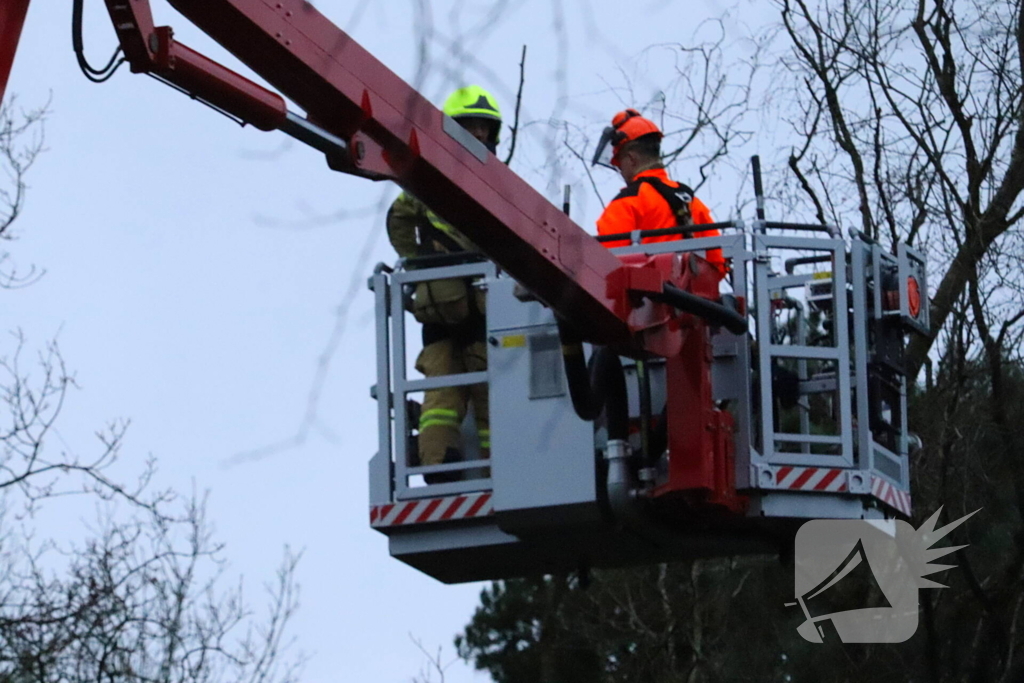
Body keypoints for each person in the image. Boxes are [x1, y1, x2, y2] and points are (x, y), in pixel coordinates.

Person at [385, 85, 502, 483]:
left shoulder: (428, 177)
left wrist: (420, 268)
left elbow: (399, 220)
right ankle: (478, 470)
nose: (481, 134)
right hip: (473, 307)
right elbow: (398, 218)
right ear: (454, 128)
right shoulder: (491, 184)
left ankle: (447, 467)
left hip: (447, 307)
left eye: (486, 127)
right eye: (473, 125)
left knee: (456, 391)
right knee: (467, 391)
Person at [592, 108, 726, 276]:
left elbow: (605, 266)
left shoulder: (627, 202)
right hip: (695, 301)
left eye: (619, 163)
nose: (620, 170)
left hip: (644, 300)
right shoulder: (691, 201)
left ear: (631, 158)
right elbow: (717, 263)